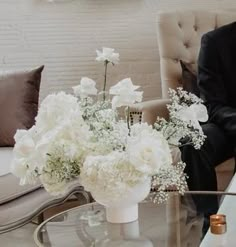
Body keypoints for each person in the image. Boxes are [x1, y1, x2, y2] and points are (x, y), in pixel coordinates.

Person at [180, 22, 236, 216]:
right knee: (192, 141)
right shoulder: (214, 42)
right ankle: (210, 219)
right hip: (226, 124)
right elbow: (213, 103)